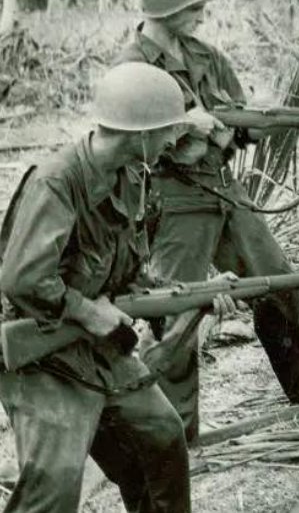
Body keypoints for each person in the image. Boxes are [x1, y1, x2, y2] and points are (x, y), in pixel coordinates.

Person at [114, 0, 299, 444]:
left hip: (222, 189)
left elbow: (244, 123)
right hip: (170, 199)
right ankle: (175, 434)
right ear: (165, 8)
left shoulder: (206, 57)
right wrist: (185, 125)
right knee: (177, 310)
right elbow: (126, 140)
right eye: (194, 6)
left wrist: (294, 123)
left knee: (279, 282)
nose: (202, 14)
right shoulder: (131, 68)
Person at [0, 63, 197, 512]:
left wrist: (189, 295)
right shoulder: (57, 181)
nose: (172, 141)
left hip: (101, 348)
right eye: (167, 131)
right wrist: (89, 312)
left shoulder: (134, 177)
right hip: (45, 355)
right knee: (55, 485)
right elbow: (22, 280)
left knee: (163, 439)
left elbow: (128, 270)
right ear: (140, 133)